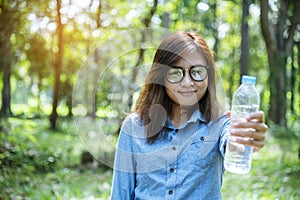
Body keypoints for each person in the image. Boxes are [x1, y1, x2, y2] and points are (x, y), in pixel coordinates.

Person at [110, 31, 268, 199]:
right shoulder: (134, 126)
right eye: (175, 72)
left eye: (197, 71)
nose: (187, 82)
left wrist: (244, 141)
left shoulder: (220, 124)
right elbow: (120, 194)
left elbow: (231, 143)